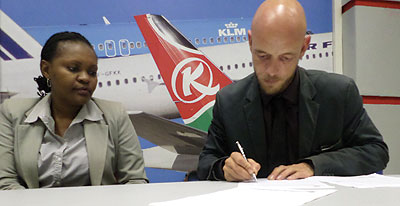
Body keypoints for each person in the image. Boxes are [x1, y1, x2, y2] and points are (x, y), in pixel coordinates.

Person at [197, 0, 389, 182]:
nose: (272, 71)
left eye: (285, 58)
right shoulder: (229, 101)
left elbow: (376, 151)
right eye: (262, 56)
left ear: (304, 47)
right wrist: (224, 168)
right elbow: (206, 162)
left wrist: (313, 166)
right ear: (250, 42)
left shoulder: (338, 93)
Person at [0, 31, 148, 189]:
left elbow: (135, 182)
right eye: (73, 68)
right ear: (46, 70)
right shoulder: (12, 113)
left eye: (92, 72)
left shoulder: (115, 114)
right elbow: (5, 182)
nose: (85, 78)